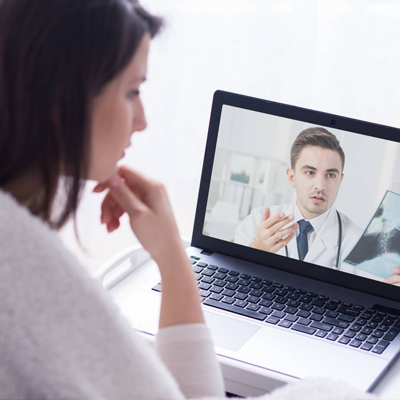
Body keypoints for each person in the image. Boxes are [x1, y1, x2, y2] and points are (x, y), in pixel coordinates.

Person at [0, 0, 374, 399]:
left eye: (330, 175)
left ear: (341, 181)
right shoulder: (27, 279)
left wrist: (170, 252)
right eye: (132, 91)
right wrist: (177, 259)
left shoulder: (364, 240)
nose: (142, 120)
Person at [235, 128, 362, 272]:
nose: (320, 186)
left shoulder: (358, 243)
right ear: (292, 177)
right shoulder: (256, 222)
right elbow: (234, 277)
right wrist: (257, 250)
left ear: (340, 181)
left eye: (331, 175)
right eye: (310, 172)